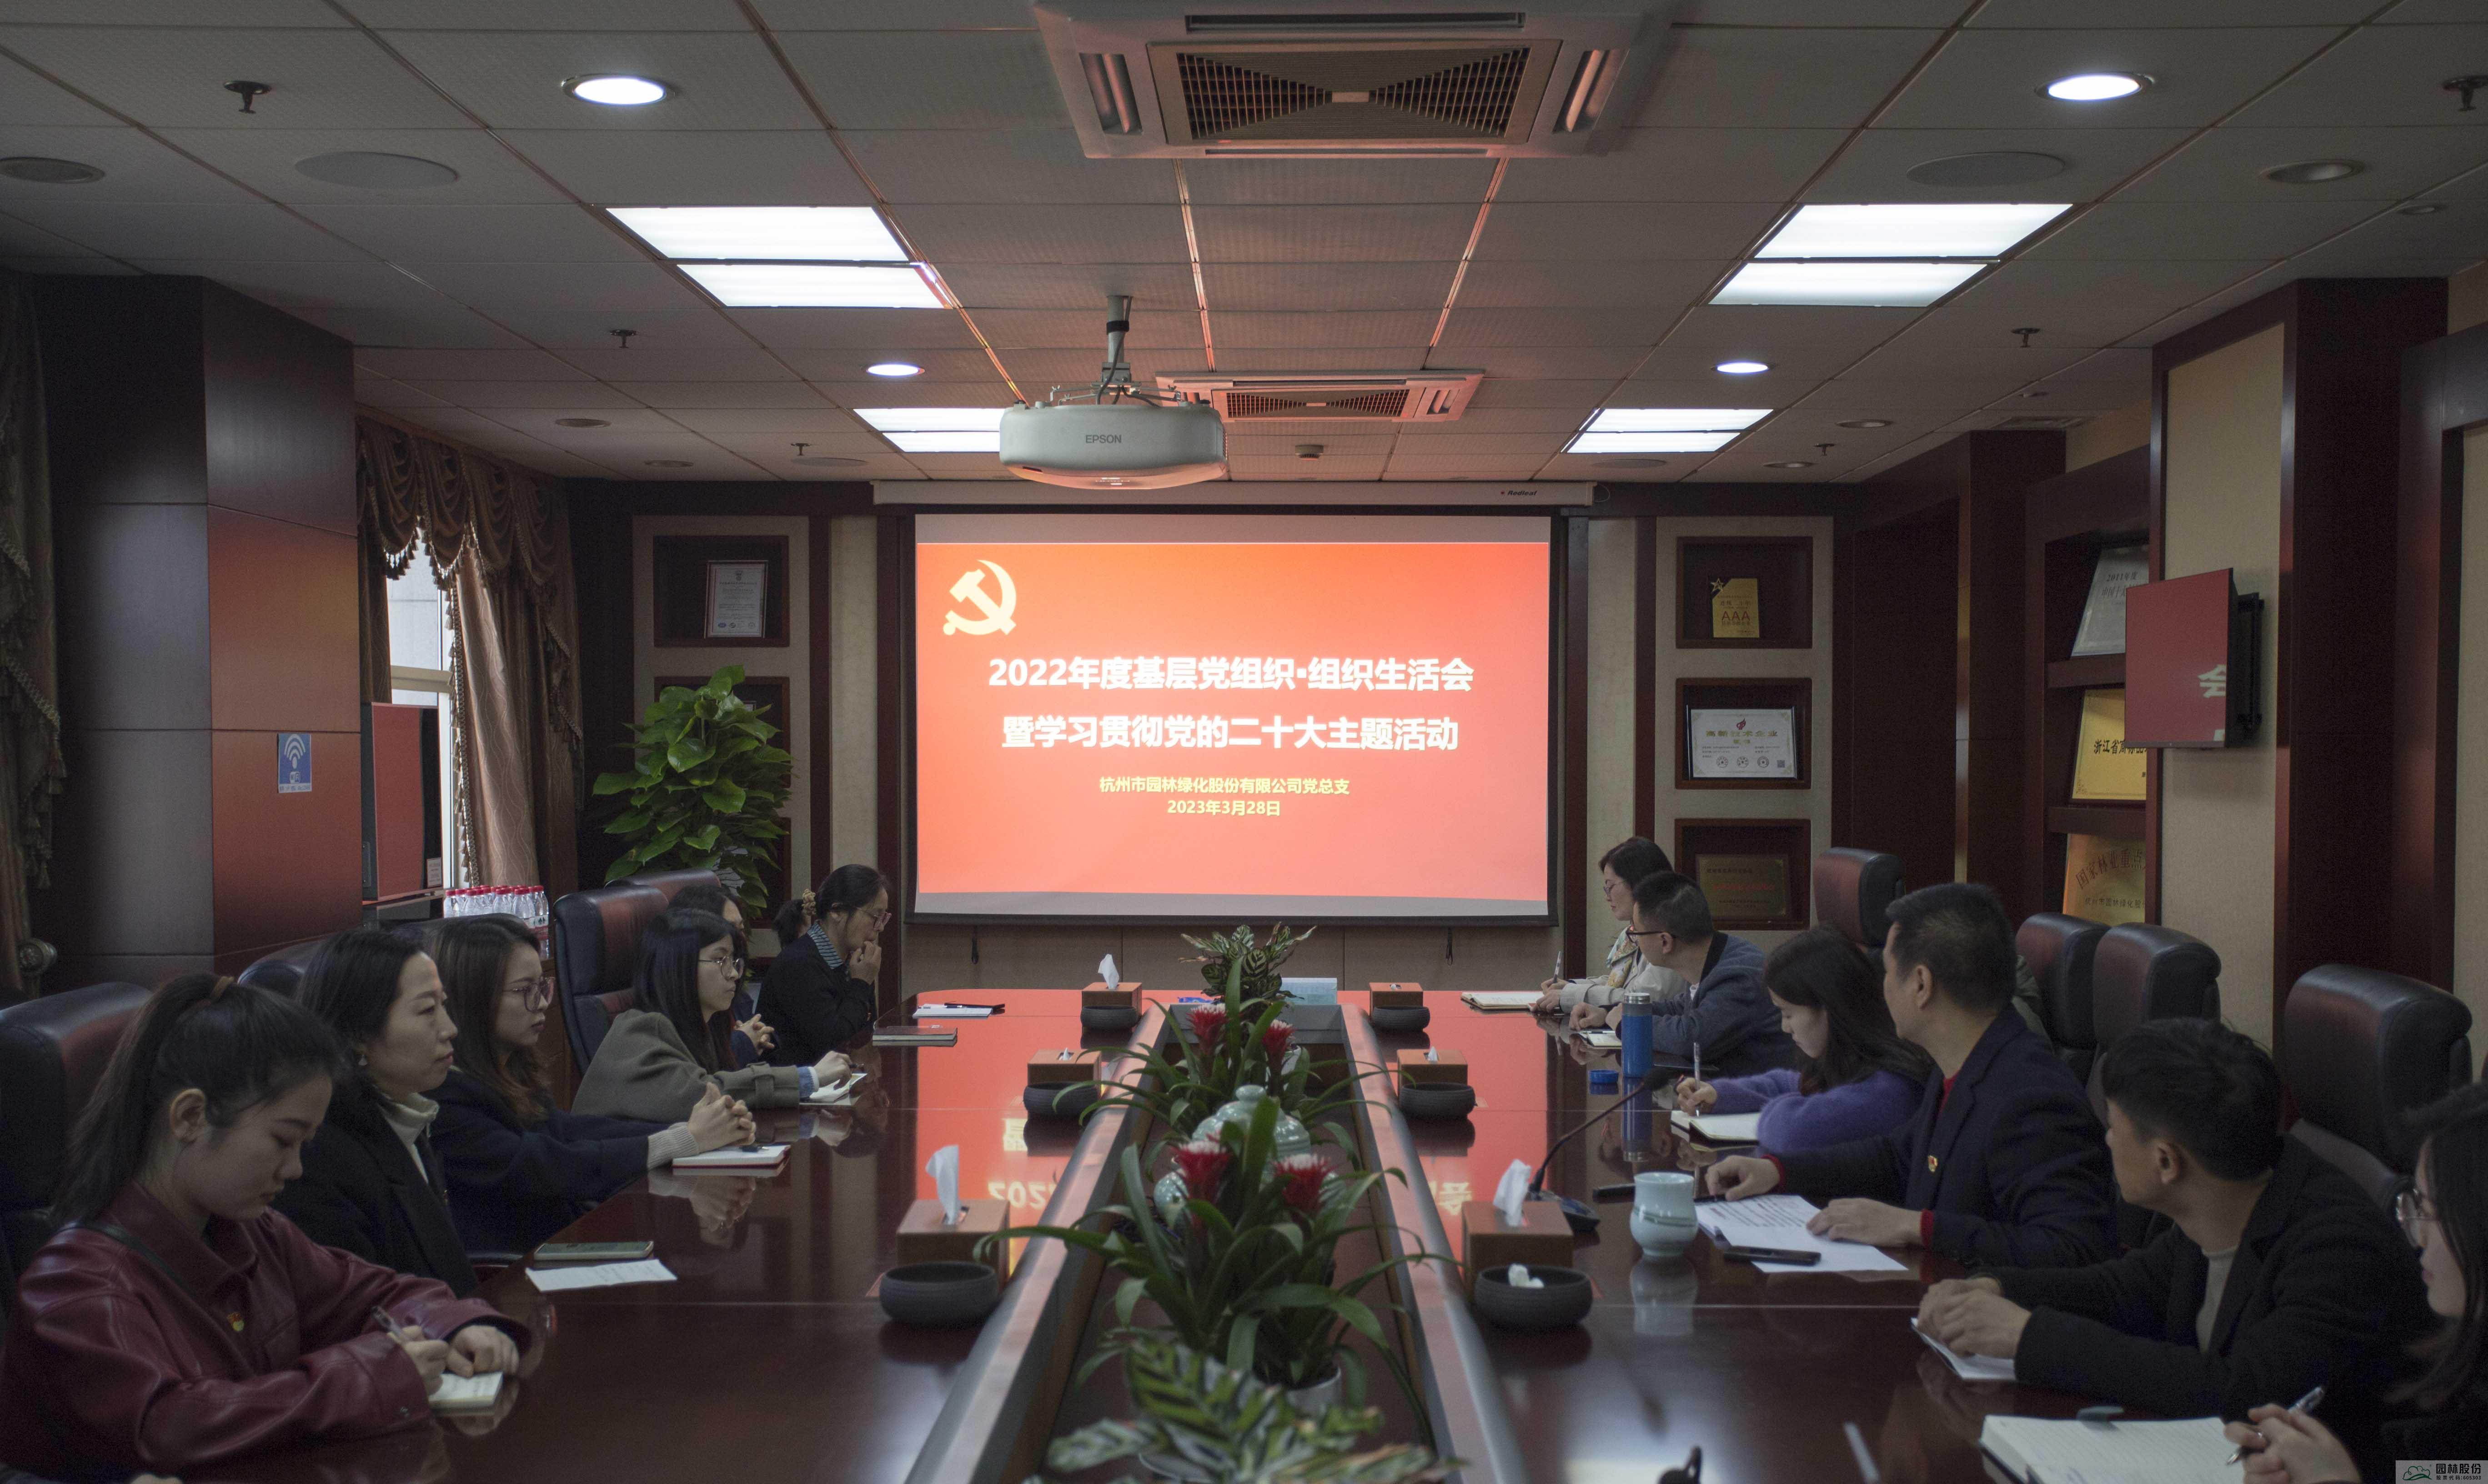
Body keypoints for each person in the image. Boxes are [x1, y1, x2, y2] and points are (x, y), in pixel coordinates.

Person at [0, 976, 526, 1478]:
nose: (295, 1169)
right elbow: (169, 1426)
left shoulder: (253, 1232)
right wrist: (368, 1377)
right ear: (190, 1117)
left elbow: (372, 1293)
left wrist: (452, 1325)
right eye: (282, 1140)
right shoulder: (76, 1287)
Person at [1917, 1018, 2430, 1468]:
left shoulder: (2340, 1249)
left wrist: (2030, 1337)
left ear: (2166, 1161)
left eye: (2114, 1126)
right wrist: (1998, 1287)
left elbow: (2241, 1391)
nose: (2107, 1140)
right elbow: (2129, 1288)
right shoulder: (2220, 1197)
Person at [1705, 882, 2116, 1267]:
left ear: (1921, 984)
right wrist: (1779, 1171)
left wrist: (1917, 1227)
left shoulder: (2031, 1096)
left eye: (1887, 972)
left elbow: (2074, 1247)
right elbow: (1898, 1156)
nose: (1882, 988)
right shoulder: (1960, 1063)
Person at [429, 915, 753, 1254]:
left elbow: (570, 1130)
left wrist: (688, 1133)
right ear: (474, 999)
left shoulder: (512, 1071)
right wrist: (684, 1139)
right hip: (521, 1269)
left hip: (566, 1242)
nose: (542, 1003)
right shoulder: (448, 1097)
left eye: (542, 987)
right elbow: (550, 1165)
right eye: (525, 991)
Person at [2228, 1083, 2488, 1481]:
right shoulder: (2470, 1350)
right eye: (2414, 1203)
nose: (2417, 1236)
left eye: (2429, 1211)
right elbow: (2461, 1474)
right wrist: (2322, 1463)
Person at [274, 928, 480, 1293]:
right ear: (358, 1035)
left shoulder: (406, 1114)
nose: (450, 1029)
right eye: (427, 1010)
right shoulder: (320, 1159)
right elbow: (360, 1306)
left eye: (443, 1005)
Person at [574, 908, 850, 1124]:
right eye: (720, 960)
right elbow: (707, 1094)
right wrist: (809, 1077)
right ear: (679, 965)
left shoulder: (701, 1028)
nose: (733, 974)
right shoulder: (642, 1029)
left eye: (734, 961)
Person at [1671, 927, 1931, 1153]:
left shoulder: (1888, 1091)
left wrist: (1789, 1104)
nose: (1785, 1027)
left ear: (1830, 1009)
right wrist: (1719, 1095)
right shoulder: (1850, 1067)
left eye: (1788, 1014)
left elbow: (1786, 1130)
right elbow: (1786, 1083)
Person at [1574, 872, 1795, 1078]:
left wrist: (1628, 1024)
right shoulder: (1712, 957)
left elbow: (1691, 1038)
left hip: (1761, 1100)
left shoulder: (1739, 976)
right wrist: (1608, 1013)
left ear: (1665, 942)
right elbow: (1677, 1008)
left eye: (1636, 933)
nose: (1635, 940)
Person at [1534, 837, 1688, 1018]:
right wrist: (1570, 987)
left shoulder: (1665, 935)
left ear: (1639, 882)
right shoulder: (1632, 933)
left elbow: (1639, 999)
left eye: (1610, 887)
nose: (1608, 897)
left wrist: (1572, 995)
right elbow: (1619, 983)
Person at [756, 865, 887, 1068]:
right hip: (797, 1083)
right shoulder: (798, 964)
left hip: (840, 1077)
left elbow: (865, 1034)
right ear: (837, 911)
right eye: (875, 917)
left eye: (884, 918)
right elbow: (833, 1043)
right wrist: (861, 984)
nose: (881, 928)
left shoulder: (852, 961)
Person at [667, 881, 774, 1061]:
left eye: (741, 930)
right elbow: (703, 1070)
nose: (741, 940)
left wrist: (759, 1035)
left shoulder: (735, 992)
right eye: (730, 930)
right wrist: (742, 1042)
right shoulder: (664, 1021)